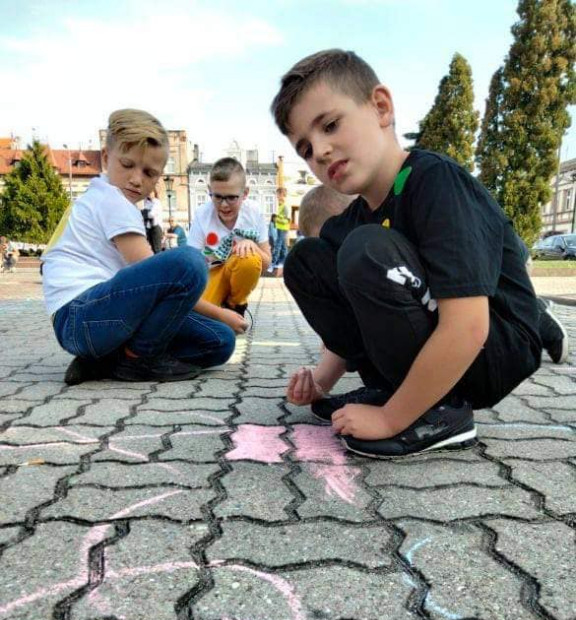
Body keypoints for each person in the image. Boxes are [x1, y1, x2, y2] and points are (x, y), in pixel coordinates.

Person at [270, 49, 569, 459]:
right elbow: (347, 313)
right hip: (441, 342)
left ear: (380, 107)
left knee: (367, 251)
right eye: (305, 148)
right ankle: (392, 387)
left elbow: (468, 326)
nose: (319, 151)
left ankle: (439, 411)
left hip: (487, 352)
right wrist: (321, 380)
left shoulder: (435, 182)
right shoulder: (350, 220)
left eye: (331, 125)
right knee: (308, 260)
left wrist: (391, 419)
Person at [41, 108, 237, 386]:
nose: (137, 178)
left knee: (219, 340)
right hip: (82, 317)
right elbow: (166, 277)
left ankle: (107, 360)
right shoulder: (112, 201)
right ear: (107, 158)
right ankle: (138, 358)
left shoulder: (100, 198)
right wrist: (222, 312)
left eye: (149, 173)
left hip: (88, 322)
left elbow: (153, 290)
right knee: (188, 263)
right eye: (128, 164)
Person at [187, 157, 271, 317]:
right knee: (198, 318)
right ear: (209, 190)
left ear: (245, 193)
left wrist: (253, 247)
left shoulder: (254, 213)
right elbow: (191, 264)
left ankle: (235, 305)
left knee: (250, 259)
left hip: (238, 271)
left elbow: (266, 263)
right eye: (217, 197)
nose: (224, 205)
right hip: (211, 274)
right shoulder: (202, 214)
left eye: (231, 197)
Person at [271, 186, 290, 275]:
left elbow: (287, 220)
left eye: (278, 195)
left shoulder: (285, 207)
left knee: (278, 245)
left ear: (282, 195)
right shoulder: (280, 206)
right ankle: (286, 264)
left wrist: (276, 219)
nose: (277, 197)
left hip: (283, 228)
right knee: (283, 247)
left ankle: (273, 264)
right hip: (280, 227)